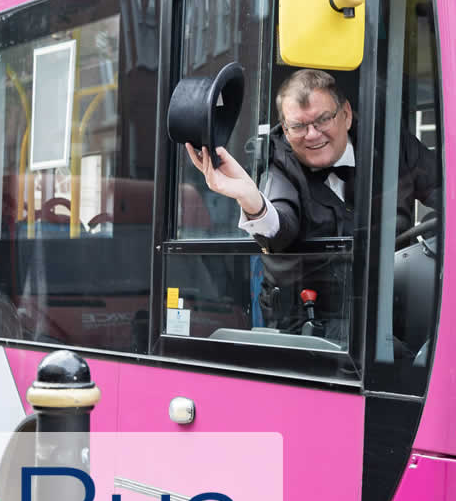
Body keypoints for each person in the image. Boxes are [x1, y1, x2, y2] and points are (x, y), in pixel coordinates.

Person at [185, 68, 438, 335]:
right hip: (309, 326)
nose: (312, 134)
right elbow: (280, 225)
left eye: (322, 120)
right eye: (299, 126)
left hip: (392, 310)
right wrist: (252, 200)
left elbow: (450, 191)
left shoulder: (392, 146)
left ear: (347, 115)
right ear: (285, 128)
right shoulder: (279, 164)